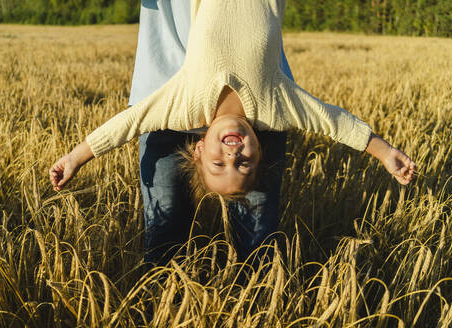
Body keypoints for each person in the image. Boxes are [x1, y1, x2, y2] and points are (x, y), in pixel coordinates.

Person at [50, 0, 415, 260]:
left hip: (167, 69)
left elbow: (129, 124)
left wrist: (76, 157)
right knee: (252, 240)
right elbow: (332, 121)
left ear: (198, 149)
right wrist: (384, 152)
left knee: (172, 236)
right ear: (261, 149)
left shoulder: (185, 100)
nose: (232, 156)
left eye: (219, 164)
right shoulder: (276, 103)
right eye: (243, 164)